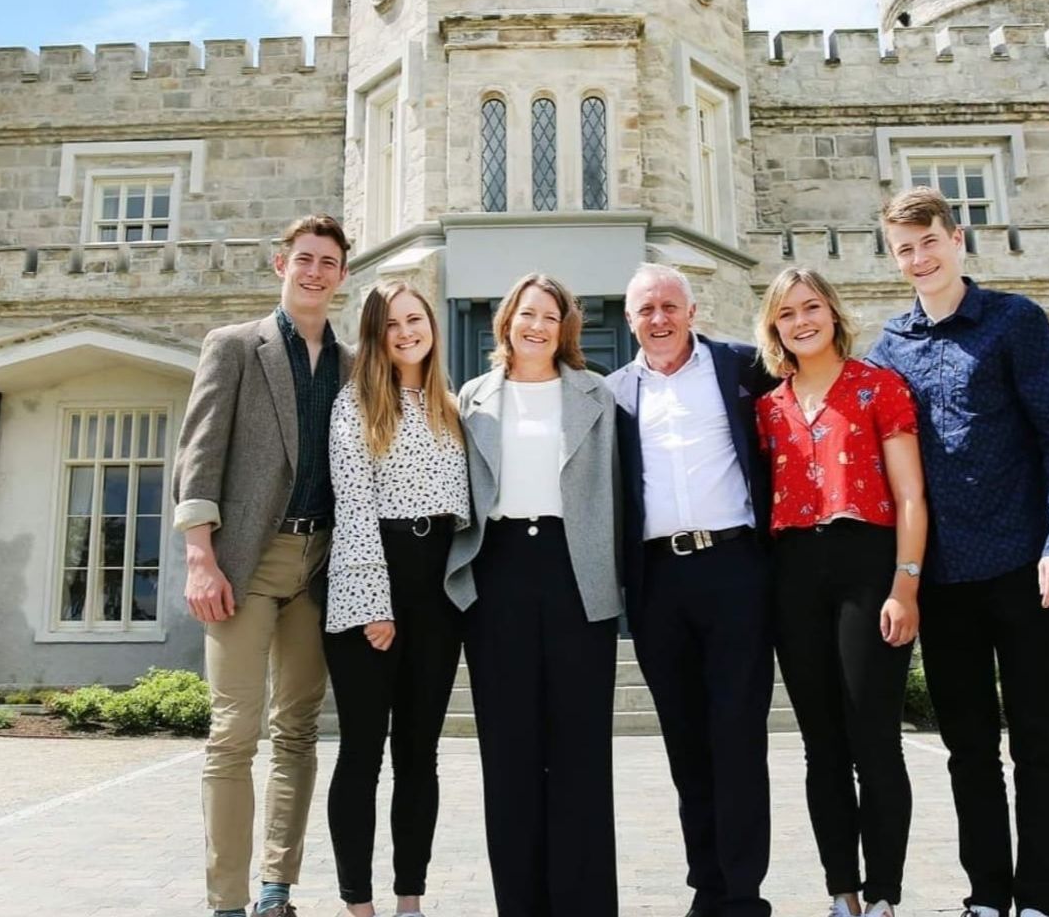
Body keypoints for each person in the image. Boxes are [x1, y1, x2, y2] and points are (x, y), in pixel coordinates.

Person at [865, 187, 1049, 917]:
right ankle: (988, 897)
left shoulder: (1013, 321)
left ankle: (1040, 902)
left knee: (1037, 745)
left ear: (955, 238)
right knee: (968, 750)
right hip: (942, 580)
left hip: (1024, 568)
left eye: (927, 242)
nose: (918, 259)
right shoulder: (890, 346)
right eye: (903, 249)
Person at [173, 214, 353, 917]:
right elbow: (198, 455)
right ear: (282, 263)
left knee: (299, 730)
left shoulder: (352, 362)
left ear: (341, 276)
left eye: (328, 263)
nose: (314, 272)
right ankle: (226, 901)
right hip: (243, 564)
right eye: (304, 258)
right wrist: (199, 557)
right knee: (233, 732)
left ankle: (277, 889)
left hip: (319, 566)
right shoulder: (235, 347)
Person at [445, 272, 622, 917]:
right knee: (510, 754)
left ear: (565, 326)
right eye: (527, 313)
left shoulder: (595, 394)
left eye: (550, 315)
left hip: (577, 572)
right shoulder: (473, 397)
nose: (537, 325)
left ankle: (587, 904)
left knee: (579, 753)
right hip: (499, 571)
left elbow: (618, 492)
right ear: (506, 322)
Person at [752, 267, 927, 917]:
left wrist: (904, 586)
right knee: (820, 744)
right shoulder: (768, 409)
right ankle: (842, 894)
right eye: (787, 314)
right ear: (775, 328)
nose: (802, 321)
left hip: (868, 563)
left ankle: (883, 894)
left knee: (873, 737)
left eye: (811, 307)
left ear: (832, 311)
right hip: (793, 572)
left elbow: (910, 494)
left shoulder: (879, 387)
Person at [607, 263, 777, 917]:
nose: (658, 319)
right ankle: (707, 888)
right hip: (658, 583)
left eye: (669, 306)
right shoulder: (614, 392)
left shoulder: (741, 368)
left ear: (692, 310)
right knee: (686, 741)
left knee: (738, 737)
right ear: (630, 321)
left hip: (735, 570)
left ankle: (743, 894)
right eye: (645, 309)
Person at [322, 281, 470, 917]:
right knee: (362, 752)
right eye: (392, 324)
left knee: (421, 755)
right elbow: (353, 504)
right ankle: (359, 902)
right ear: (376, 335)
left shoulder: (451, 406)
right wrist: (374, 606)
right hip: (370, 588)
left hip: (437, 594)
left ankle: (411, 898)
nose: (407, 331)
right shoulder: (355, 404)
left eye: (416, 319)